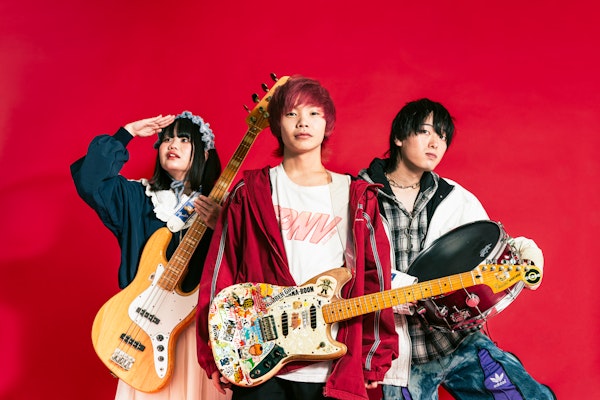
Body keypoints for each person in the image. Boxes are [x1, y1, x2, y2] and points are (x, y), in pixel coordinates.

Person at [195, 75, 398, 400]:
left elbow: (376, 281)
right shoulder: (250, 193)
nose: (303, 121)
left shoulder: (357, 196)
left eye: (314, 113)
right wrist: (214, 352)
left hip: (333, 365)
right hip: (259, 361)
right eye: (291, 113)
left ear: (328, 123)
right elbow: (221, 273)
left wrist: (373, 357)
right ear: (276, 123)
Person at [358, 98, 556, 399]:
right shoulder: (359, 195)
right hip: (399, 354)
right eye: (425, 131)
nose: (435, 143)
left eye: (442, 136)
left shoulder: (455, 196)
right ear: (399, 137)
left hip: (459, 340)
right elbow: (345, 268)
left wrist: (525, 252)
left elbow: (491, 246)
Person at [71, 111, 231, 400]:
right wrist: (127, 133)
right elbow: (90, 181)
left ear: (205, 154)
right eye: (167, 139)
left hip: (199, 336)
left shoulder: (223, 207)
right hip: (143, 334)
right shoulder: (138, 198)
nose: (173, 144)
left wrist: (224, 224)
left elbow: (248, 262)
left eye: (184, 139)